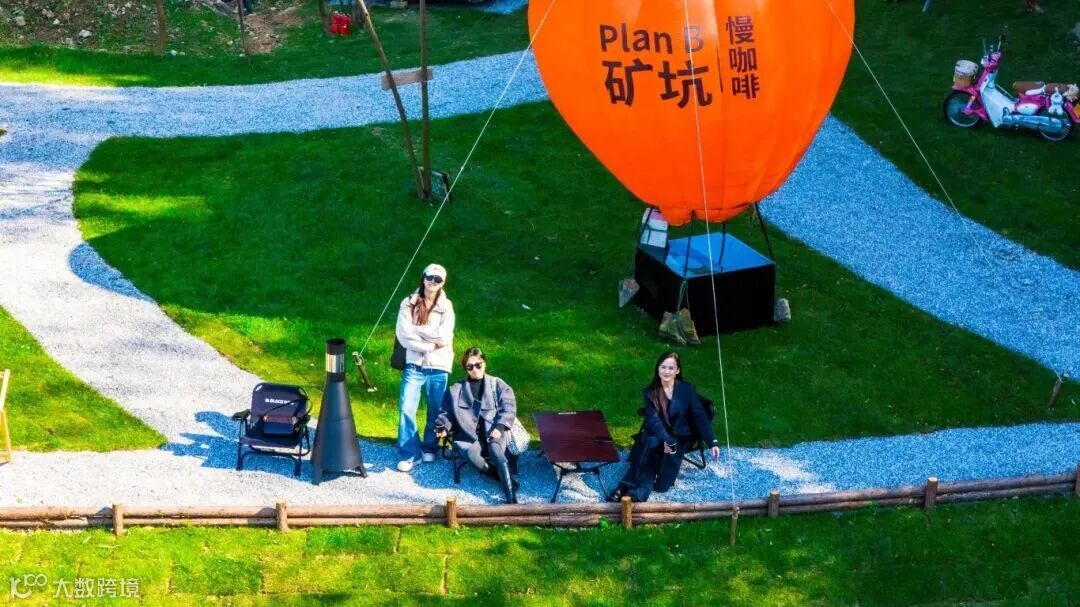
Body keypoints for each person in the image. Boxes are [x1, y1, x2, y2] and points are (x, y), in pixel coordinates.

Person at [614, 351, 720, 502]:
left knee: (662, 485)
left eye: (671, 368)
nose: (666, 371)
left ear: (677, 370)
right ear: (657, 369)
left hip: (678, 438)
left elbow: (700, 416)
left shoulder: (687, 390)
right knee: (650, 449)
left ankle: (629, 488)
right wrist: (665, 438)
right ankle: (632, 490)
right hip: (658, 434)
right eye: (663, 367)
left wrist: (712, 441)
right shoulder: (651, 392)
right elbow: (653, 420)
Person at [434, 348, 520, 504]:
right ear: (465, 369)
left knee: (497, 452)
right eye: (470, 367)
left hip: (493, 431)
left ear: (484, 363)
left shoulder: (497, 384)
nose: (475, 370)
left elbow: (508, 406)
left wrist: (500, 427)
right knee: (471, 454)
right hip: (468, 435)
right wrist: (443, 427)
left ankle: (511, 498)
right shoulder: (455, 390)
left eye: (478, 365)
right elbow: (445, 413)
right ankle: (501, 477)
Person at [395, 263, 455, 472]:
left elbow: (444, 337)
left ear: (443, 283)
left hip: (439, 365)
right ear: (423, 278)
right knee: (406, 408)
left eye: (438, 279)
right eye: (430, 277)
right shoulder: (408, 303)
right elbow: (403, 335)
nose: (433, 282)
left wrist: (418, 330)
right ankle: (410, 453)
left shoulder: (447, 307)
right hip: (414, 364)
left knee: (435, 409)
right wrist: (429, 344)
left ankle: (430, 447)